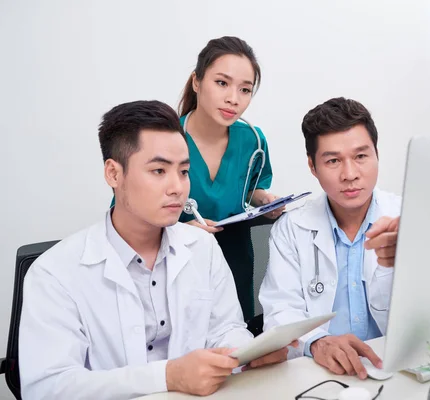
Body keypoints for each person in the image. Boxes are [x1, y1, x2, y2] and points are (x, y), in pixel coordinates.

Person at [19, 100, 293, 400]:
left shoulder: (202, 247)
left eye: (184, 171)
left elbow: (226, 328)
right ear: (113, 174)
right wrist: (168, 376)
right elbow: (47, 388)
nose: (177, 187)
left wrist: (248, 354)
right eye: (159, 170)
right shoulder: (54, 272)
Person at [259, 97, 401, 380]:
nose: (350, 175)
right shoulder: (292, 227)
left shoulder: (407, 218)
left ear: (376, 155)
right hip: (319, 373)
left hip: (395, 366)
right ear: (313, 166)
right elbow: (280, 311)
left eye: (361, 156)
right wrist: (317, 343)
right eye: (333, 161)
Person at [178, 36, 283, 322]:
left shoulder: (253, 140)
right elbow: (128, 212)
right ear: (196, 82)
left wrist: (265, 200)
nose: (233, 99)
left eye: (245, 89)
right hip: (176, 262)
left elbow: (251, 188)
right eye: (222, 83)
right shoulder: (164, 138)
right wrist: (182, 230)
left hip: (234, 258)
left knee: (238, 344)